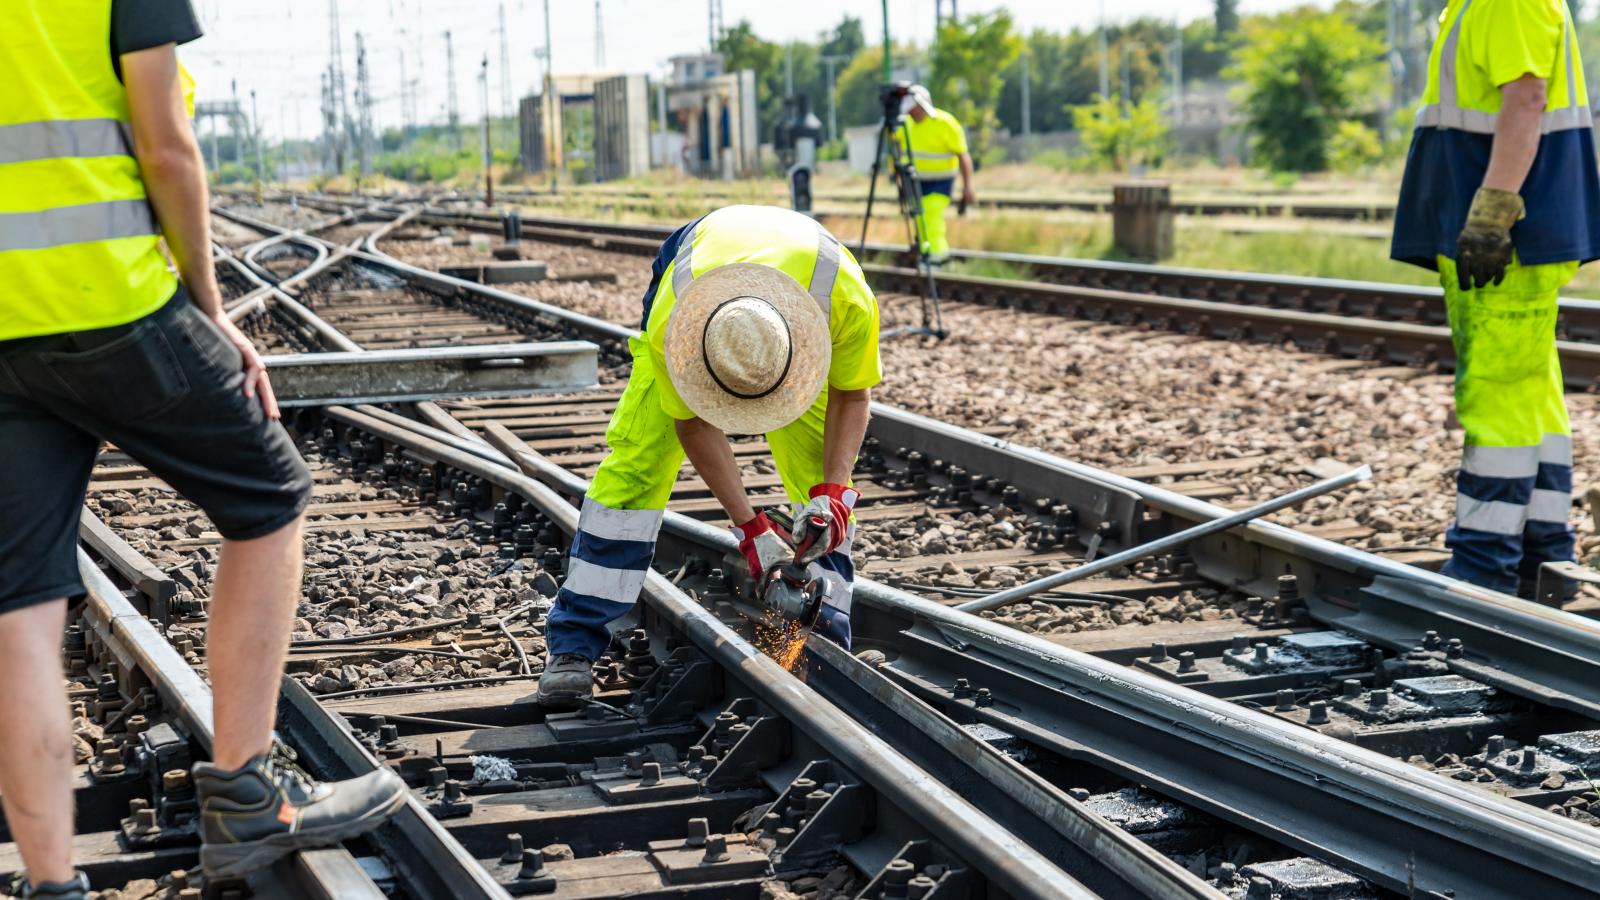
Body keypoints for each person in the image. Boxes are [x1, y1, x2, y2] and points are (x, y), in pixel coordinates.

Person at [0, 2, 406, 895]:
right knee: (269, 498)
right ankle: (247, 796)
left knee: (21, 606)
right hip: (112, 302)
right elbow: (167, 145)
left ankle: (51, 882)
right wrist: (211, 314)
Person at [536, 205, 882, 708]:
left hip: (803, 291)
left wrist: (833, 494)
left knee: (818, 482)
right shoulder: (673, 326)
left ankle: (824, 641)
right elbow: (692, 422)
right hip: (696, 277)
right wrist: (750, 529)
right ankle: (573, 646)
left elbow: (853, 396)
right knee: (638, 467)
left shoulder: (846, 301)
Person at [1390, 0, 1600, 596]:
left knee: (1498, 391)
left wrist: (1493, 212)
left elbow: (1526, 98)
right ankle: (1543, 553)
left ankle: (1485, 562)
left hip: (1507, 237)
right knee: (1531, 389)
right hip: (1511, 232)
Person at [895, 84, 975, 264]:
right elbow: (897, 152)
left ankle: (939, 257)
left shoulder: (946, 123)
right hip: (915, 182)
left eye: (913, 110)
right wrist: (899, 182)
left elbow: (963, 156)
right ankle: (927, 257)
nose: (911, 114)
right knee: (920, 220)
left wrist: (968, 186)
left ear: (923, 105)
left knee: (931, 216)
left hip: (941, 182)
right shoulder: (905, 124)